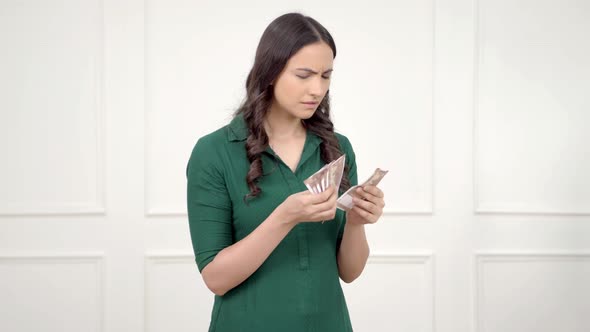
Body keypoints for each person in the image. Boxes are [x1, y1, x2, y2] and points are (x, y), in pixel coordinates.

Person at [186, 12, 385, 332]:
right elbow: (216, 279)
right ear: (270, 73)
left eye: (325, 75)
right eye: (304, 75)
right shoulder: (214, 152)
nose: (317, 89)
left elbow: (349, 272)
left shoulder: (337, 147)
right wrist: (284, 217)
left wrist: (356, 224)